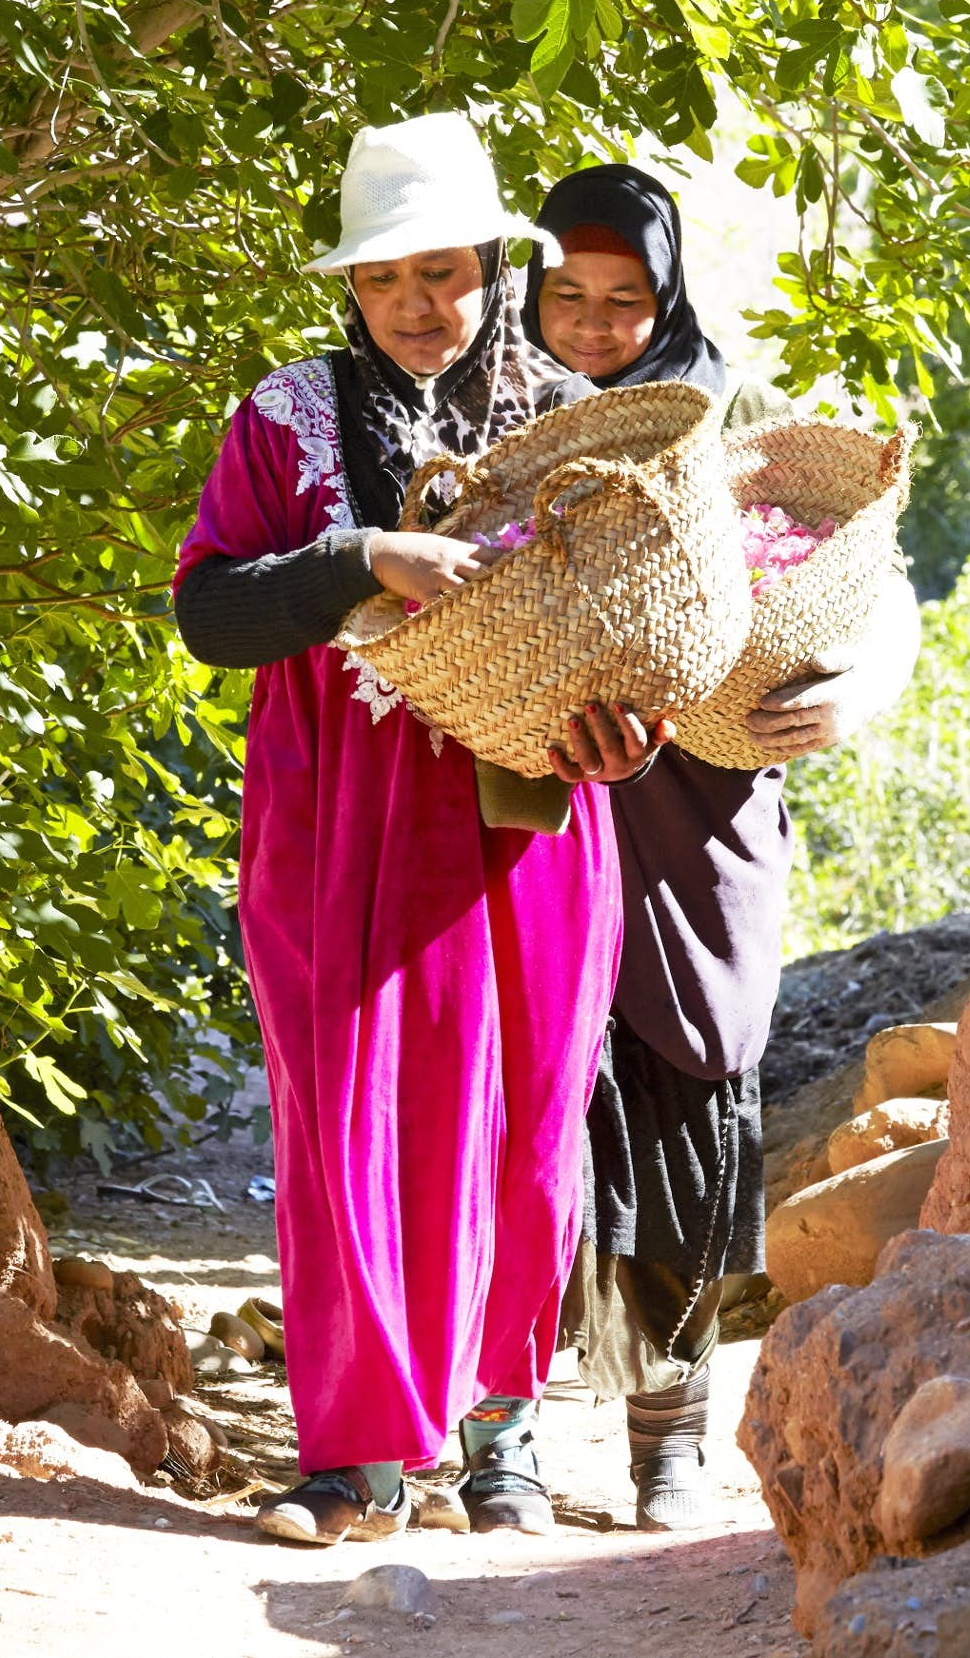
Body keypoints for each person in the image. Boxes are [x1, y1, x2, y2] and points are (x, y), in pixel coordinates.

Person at [173, 115, 669, 1547]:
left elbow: (639, 635)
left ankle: (499, 1435)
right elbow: (207, 609)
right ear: (352, 283)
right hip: (335, 831)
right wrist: (355, 562)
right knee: (349, 1121)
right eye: (387, 276)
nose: (418, 304)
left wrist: (625, 734)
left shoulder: (573, 419)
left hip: (525, 840)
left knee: (517, 1128)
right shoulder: (282, 419)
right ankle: (362, 1456)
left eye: (445, 273)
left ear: (493, 270)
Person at [509, 163, 921, 1530]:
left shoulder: (725, 411)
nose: (592, 324)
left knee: (681, 1099)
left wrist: (851, 691)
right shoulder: (491, 413)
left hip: (700, 820)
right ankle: (494, 1429)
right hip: (531, 796)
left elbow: (872, 587)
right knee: (526, 1107)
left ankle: (666, 1433)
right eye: (565, 294)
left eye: (625, 297)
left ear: (668, 293)